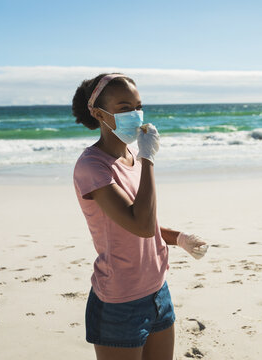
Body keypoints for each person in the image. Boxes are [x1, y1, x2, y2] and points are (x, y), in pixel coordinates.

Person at [72, 73, 208, 360]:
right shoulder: (92, 166)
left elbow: (143, 224)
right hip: (119, 302)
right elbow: (141, 225)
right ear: (98, 113)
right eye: (124, 108)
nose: (135, 115)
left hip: (158, 291)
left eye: (138, 106)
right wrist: (149, 159)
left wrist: (179, 238)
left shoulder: (133, 157)